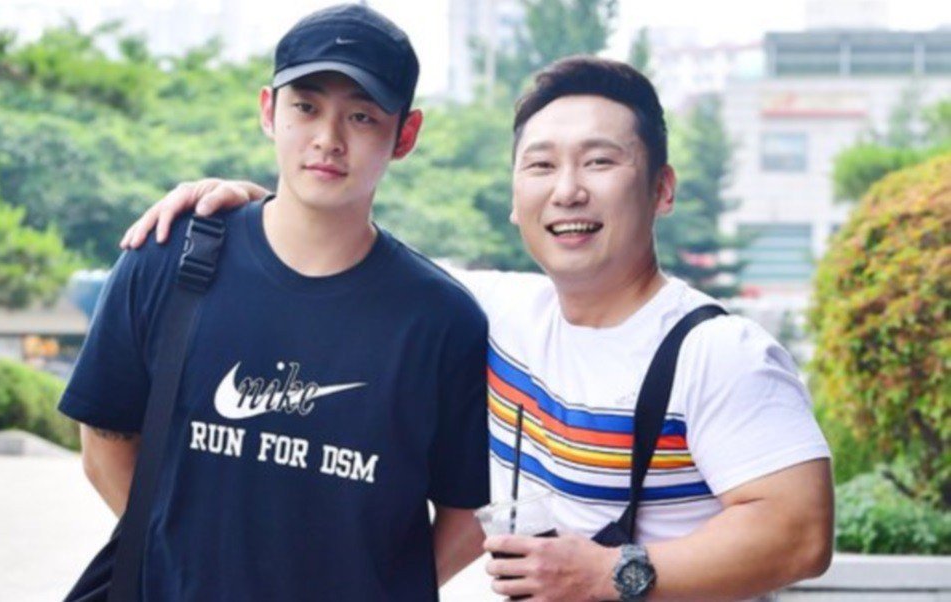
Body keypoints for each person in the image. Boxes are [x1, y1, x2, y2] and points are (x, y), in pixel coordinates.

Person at [122, 57, 834, 601]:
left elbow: (800, 533)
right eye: (541, 165)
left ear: (662, 189)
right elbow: (348, 259)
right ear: (515, 200)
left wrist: (610, 574)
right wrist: (257, 213)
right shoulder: (496, 311)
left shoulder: (721, 353)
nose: (568, 190)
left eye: (600, 162)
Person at [60, 5, 490, 600]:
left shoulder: (442, 320)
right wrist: (183, 567)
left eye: (361, 116)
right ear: (269, 111)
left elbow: (468, 514)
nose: (328, 139)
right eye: (306, 107)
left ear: (406, 135)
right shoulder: (167, 259)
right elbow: (104, 446)